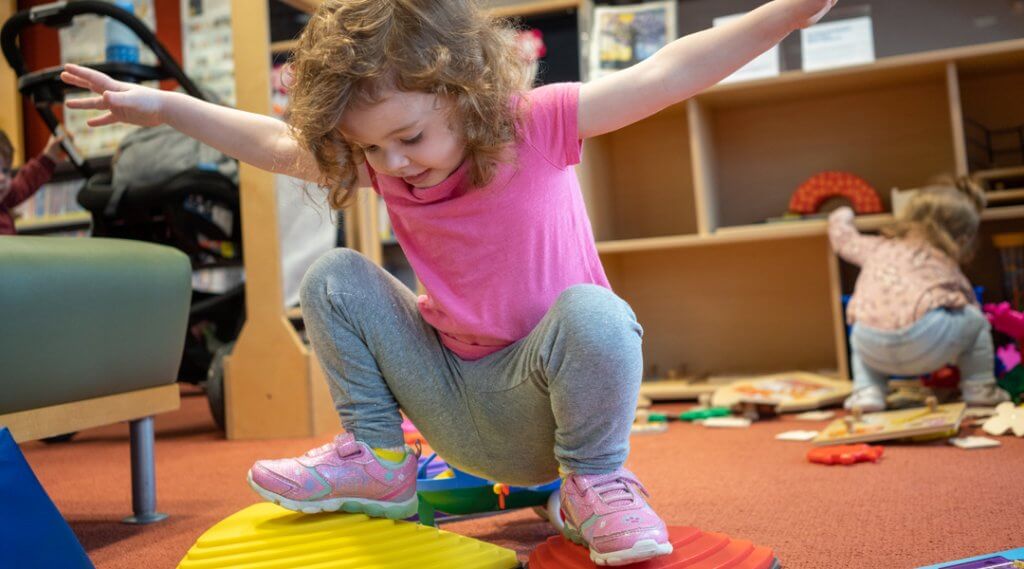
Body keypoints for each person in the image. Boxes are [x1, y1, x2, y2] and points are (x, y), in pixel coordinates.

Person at [61, 0, 836, 563]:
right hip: (453, 407)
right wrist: (165, 108)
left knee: (598, 315)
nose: (393, 165)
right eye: (370, 149)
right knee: (335, 274)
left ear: (466, 93)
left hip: (551, 411)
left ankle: (594, 485)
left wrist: (784, 14)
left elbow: (669, 71)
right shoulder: (382, 163)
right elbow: (271, 141)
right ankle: (380, 459)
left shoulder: (535, 123)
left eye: (410, 137)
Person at [829, 177, 1011, 413]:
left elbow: (844, 241)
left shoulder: (878, 246)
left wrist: (841, 214)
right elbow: (966, 300)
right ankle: (980, 388)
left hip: (872, 348)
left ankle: (867, 391)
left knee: (860, 323)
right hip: (926, 344)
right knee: (975, 321)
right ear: (963, 239)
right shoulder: (941, 256)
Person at [0, 132, 68, 235]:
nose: (2, 178)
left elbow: (23, 184)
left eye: (5, 171)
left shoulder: (4, 198)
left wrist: (49, 156)